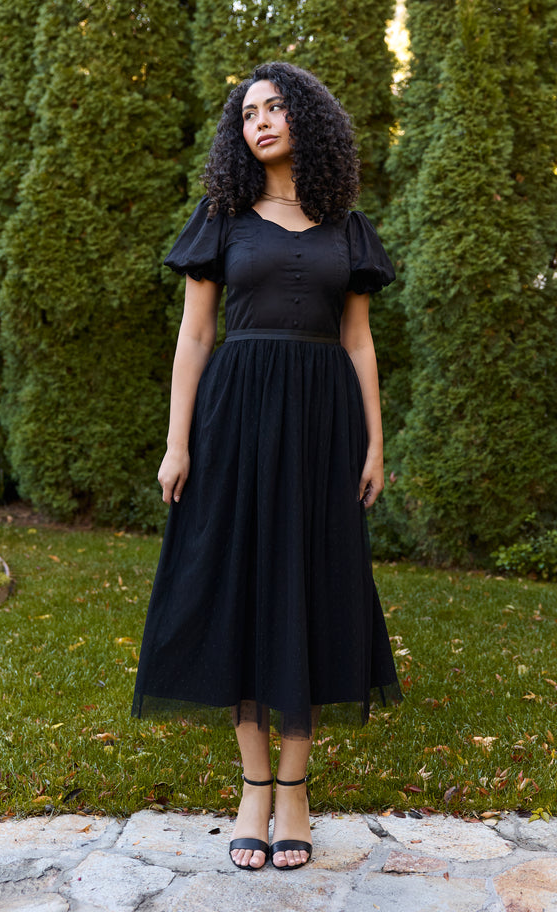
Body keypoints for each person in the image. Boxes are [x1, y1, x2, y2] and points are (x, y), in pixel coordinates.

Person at [132, 61, 401, 871]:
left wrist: (374, 443)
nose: (261, 119)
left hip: (322, 425)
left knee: (311, 585)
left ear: (306, 121)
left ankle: (296, 788)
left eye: (277, 106)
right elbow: (195, 335)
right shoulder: (220, 217)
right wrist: (178, 442)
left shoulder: (344, 226)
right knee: (241, 584)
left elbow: (356, 340)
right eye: (248, 111)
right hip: (235, 419)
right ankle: (254, 787)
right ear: (237, 133)